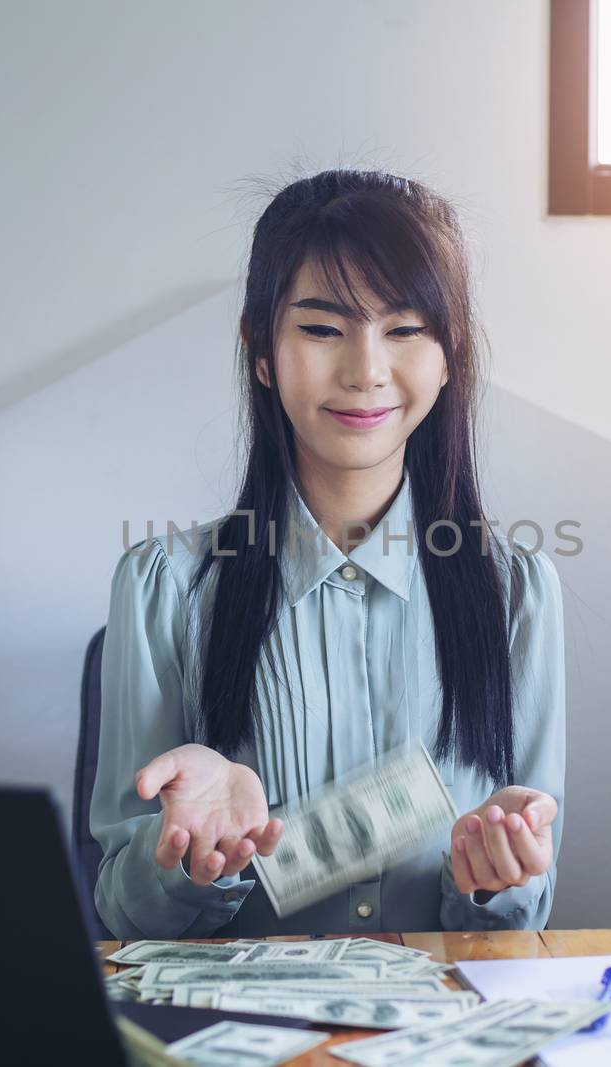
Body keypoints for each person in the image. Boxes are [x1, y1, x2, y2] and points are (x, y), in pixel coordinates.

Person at [90, 168, 566, 939]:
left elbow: (524, 916)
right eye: (321, 328)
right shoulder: (165, 585)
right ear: (261, 352)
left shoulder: (515, 591)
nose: (365, 369)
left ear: (449, 355)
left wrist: (495, 875)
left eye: (405, 329)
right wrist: (187, 853)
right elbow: (121, 910)